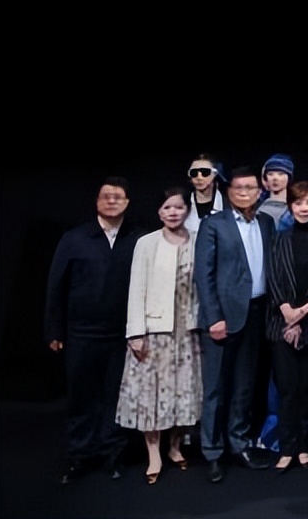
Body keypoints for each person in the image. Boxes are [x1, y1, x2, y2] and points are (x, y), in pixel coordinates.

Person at [46, 177, 143, 483]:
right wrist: (54, 331)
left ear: (127, 202)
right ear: (97, 202)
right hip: (81, 333)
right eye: (106, 196)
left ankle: (111, 454)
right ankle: (79, 457)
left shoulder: (138, 239)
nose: (111, 201)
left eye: (118, 196)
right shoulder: (74, 238)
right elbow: (56, 286)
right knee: (81, 397)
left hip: (121, 335)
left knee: (115, 398)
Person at [194, 167, 276, 483]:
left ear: (260, 191)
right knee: (216, 387)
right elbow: (204, 275)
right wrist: (214, 317)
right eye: (238, 188)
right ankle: (212, 452)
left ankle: (239, 444)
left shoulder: (266, 222)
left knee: (245, 386)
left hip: (256, 313)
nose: (244, 193)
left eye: (250, 188)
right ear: (229, 192)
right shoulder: (213, 224)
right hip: (223, 318)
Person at [117, 186, 202, 485]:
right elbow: (136, 288)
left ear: (187, 210)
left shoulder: (198, 240)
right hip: (155, 331)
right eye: (167, 208)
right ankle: (153, 453)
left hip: (187, 331)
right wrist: (135, 333)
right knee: (152, 395)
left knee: (182, 392)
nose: (173, 212)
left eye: (178, 207)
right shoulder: (147, 243)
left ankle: (175, 447)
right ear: (159, 212)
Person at [264, 181, 308, 473]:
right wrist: (287, 312)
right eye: (299, 202)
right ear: (290, 206)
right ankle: (287, 448)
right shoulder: (278, 239)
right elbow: (272, 276)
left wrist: (301, 315)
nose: (304, 208)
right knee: (287, 388)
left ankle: (303, 446)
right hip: (281, 322)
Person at [184, 154, 226, 234]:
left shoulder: (228, 204)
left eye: (205, 172)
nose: (199, 177)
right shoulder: (183, 203)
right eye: (194, 173)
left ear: (215, 174)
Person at [257, 154, 295, 223]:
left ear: (289, 178)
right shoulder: (258, 210)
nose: (275, 178)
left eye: (281, 174)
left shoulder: (296, 208)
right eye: (270, 174)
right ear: (265, 178)